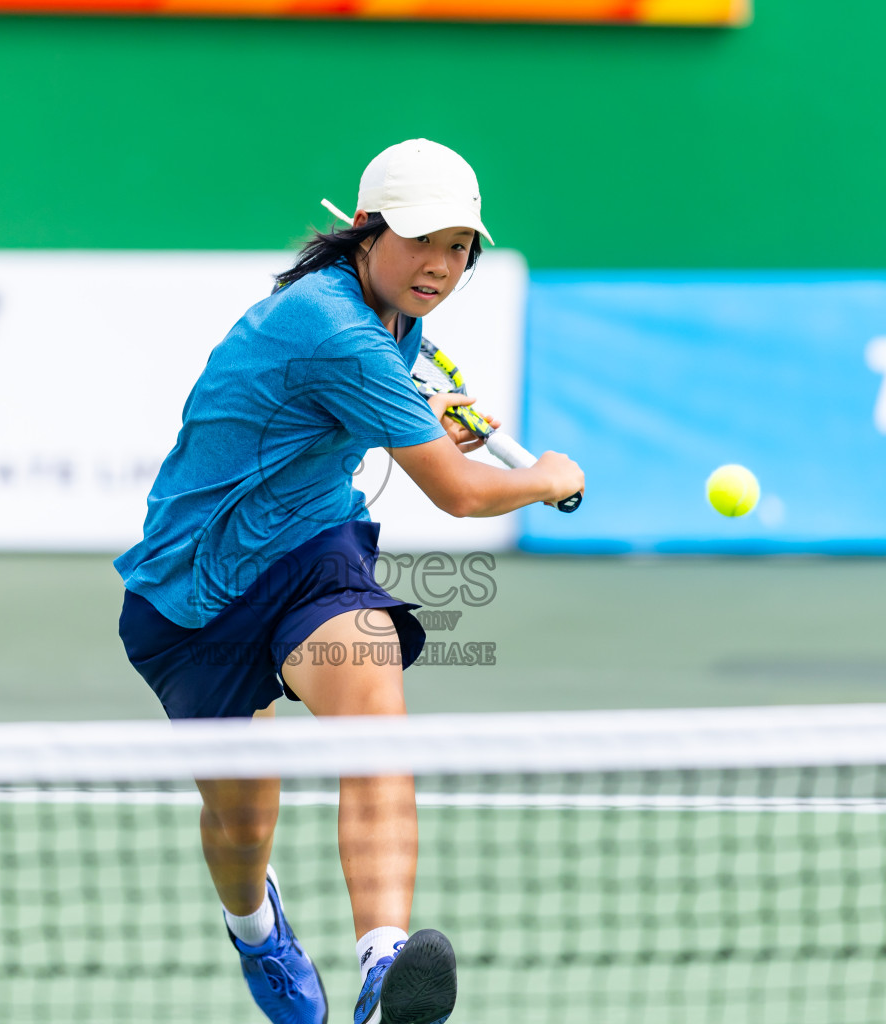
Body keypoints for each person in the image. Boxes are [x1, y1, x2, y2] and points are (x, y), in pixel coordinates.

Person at [114, 138, 585, 1024]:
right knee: (244, 822)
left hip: (309, 555)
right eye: (422, 243)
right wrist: (545, 476)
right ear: (366, 232)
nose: (441, 267)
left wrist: (430, 413)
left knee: (372, 694)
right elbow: (458, 490)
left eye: (460, 249)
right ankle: (255, 930)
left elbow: (385, 405)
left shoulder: (393, 326)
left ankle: (383, 966)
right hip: (193, 592)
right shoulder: (331, 328)